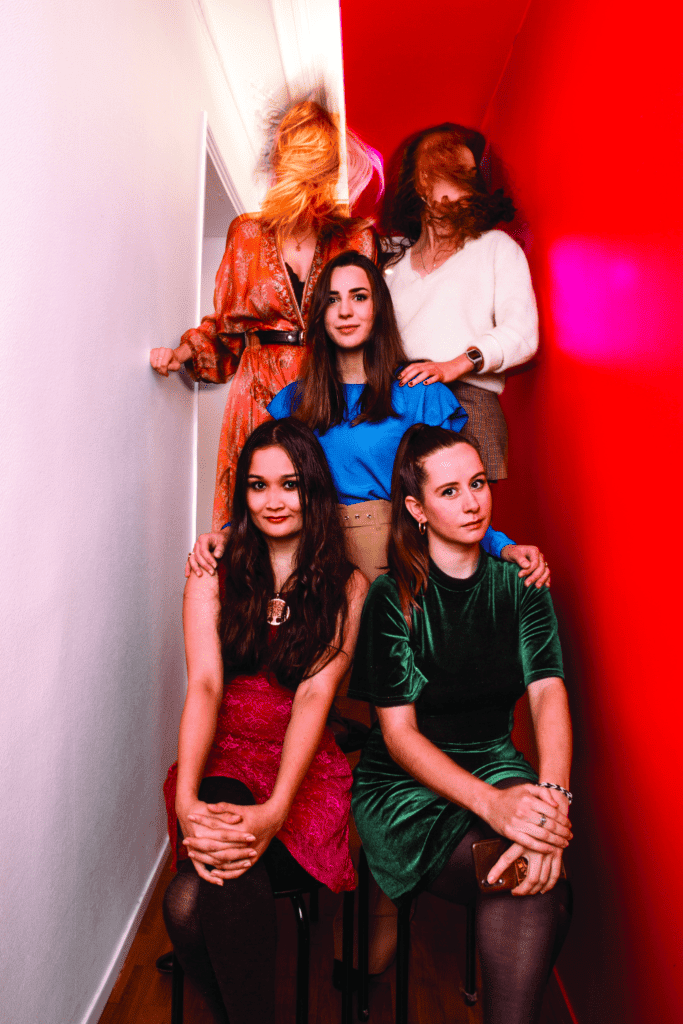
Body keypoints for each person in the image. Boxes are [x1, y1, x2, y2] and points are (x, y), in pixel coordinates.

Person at [348, 423, 573, 1024]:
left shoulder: (521, 583)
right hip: (404, 786)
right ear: (416, 509)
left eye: (477, 483)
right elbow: (398, 737)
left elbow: (547, 692)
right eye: (449, 492)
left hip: (494, 758)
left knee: (533, 873)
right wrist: (497, 808)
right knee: (526, 876)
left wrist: (552, 798)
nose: (473, 502)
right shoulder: (391, 597)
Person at [161, 418, 368, 1024]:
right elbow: (205, 684)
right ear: (243, 495)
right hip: (224, 750)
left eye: (290, 484)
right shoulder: (213, 571)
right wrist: (187, 800)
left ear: (314, 490)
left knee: (186, 904)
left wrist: (277, 807)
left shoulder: (348, 586)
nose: (273, 500)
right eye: (258, 485)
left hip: (299, 763)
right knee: (218, 858)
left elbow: (315, 696)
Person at [149, 99, 378, 527]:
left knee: (324, 508)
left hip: (328, 386)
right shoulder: (247, 234)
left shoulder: (355, 238)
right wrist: (183, 352)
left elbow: (372, 328)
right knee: (257, 508)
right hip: (257, 389)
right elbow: (226, 328)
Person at [384, 123, 538, 480]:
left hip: (470, 404)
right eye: (452, 168)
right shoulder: (392, 268)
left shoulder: (495, 247)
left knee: (466, 512)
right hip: (401, 408)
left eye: (470, 172)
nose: (467, 180)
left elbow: (522, 333)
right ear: (420, 182)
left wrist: (455, 365)